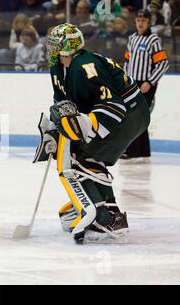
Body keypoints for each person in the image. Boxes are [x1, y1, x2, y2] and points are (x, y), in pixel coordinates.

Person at [38, 23, 150, 244]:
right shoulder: (58, 67)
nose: (51, 47)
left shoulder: (85, 65)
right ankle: (106, 210)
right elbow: (63, 104)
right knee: (83, 154)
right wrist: (54, 130)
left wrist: (87, 125)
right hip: (119, 112)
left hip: (131, 113)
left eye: (56, 43)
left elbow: (114, 105)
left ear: (68, 45)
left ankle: (106, 217)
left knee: (87, 156)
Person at [121, 9, 169, 162]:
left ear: (149, 22)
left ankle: (133, 151)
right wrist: (126, 80)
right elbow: (127, 61)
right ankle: (143, 151)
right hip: (133, 82)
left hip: (146, 83)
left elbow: (162, 63)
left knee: (136, 117)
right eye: (138, 20)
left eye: (143, 21)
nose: (140, 23)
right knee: (137, 117)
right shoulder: (132, 38)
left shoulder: (154, 40)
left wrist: (150, 81)